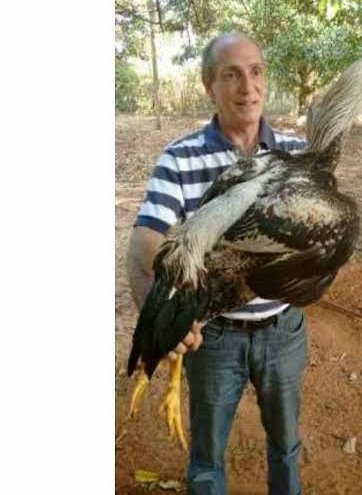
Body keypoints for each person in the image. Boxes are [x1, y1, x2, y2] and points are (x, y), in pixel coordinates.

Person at [127, 32, 307, 495]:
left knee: (286, 445)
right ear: (210, 86)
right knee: (207, 457)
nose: (248, 86)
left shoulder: (297, 155)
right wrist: (166, 323)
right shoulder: (180, 157)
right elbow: (144, 243)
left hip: (283, 329)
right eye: (232, 74)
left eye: (256, 72)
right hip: (214, 337)